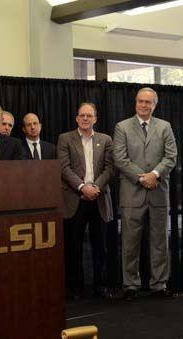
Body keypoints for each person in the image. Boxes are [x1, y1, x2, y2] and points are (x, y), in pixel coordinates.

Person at [113, 87, 177, 301]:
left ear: (154, 105)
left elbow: (171, 157)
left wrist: (155, 174)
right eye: (141, 101)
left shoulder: (165, 127)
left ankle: (159, 284)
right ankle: (130, 285)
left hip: (158, 193)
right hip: (132, 193)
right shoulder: (122, 127)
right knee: (130, 242)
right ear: (135, 103)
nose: (144, 105)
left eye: (148, 102)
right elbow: (120, 159)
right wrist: (142, 178)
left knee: (160, 241)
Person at [58, 102, 115, 299]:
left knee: (101, 246)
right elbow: (64, 168)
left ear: (95, 119)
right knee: (74, 247)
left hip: (98, 198)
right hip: (75, 198)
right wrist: (83, 187)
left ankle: (101, 285)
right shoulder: (65, 139)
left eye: (89, 116)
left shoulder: (106, 139)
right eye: (82, 115)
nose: (85, 118)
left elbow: (110, 168)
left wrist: (95, 187)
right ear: (76, 118)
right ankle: (76, 288)